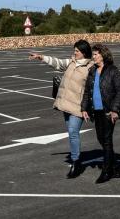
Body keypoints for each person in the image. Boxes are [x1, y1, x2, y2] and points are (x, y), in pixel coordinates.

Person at [29, 40, 93, 178]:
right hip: (65, 104)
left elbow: (92, 88)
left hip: (79, 107)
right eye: (74, 50)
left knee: (73, 132)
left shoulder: (90, 67)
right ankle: (76, 158)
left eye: (77, 51)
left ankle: (76, 162)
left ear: (84, 52)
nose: (74, 53)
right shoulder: (71, 62)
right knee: (71, 133)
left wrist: (88, 107)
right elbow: (57, 62)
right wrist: (41, 57)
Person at [81, 44, 120, 184]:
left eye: (95, 54)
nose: (93, 57)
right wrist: (84, 108)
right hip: (96, 111)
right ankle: (115, 167)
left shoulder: (113, 71)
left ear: (103, 55)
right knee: (102, 139)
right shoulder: (92, 71)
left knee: (106, 140)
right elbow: (87, 91)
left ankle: (106, 171)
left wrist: (115, 110)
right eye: (93, 54)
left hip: (108, 111)